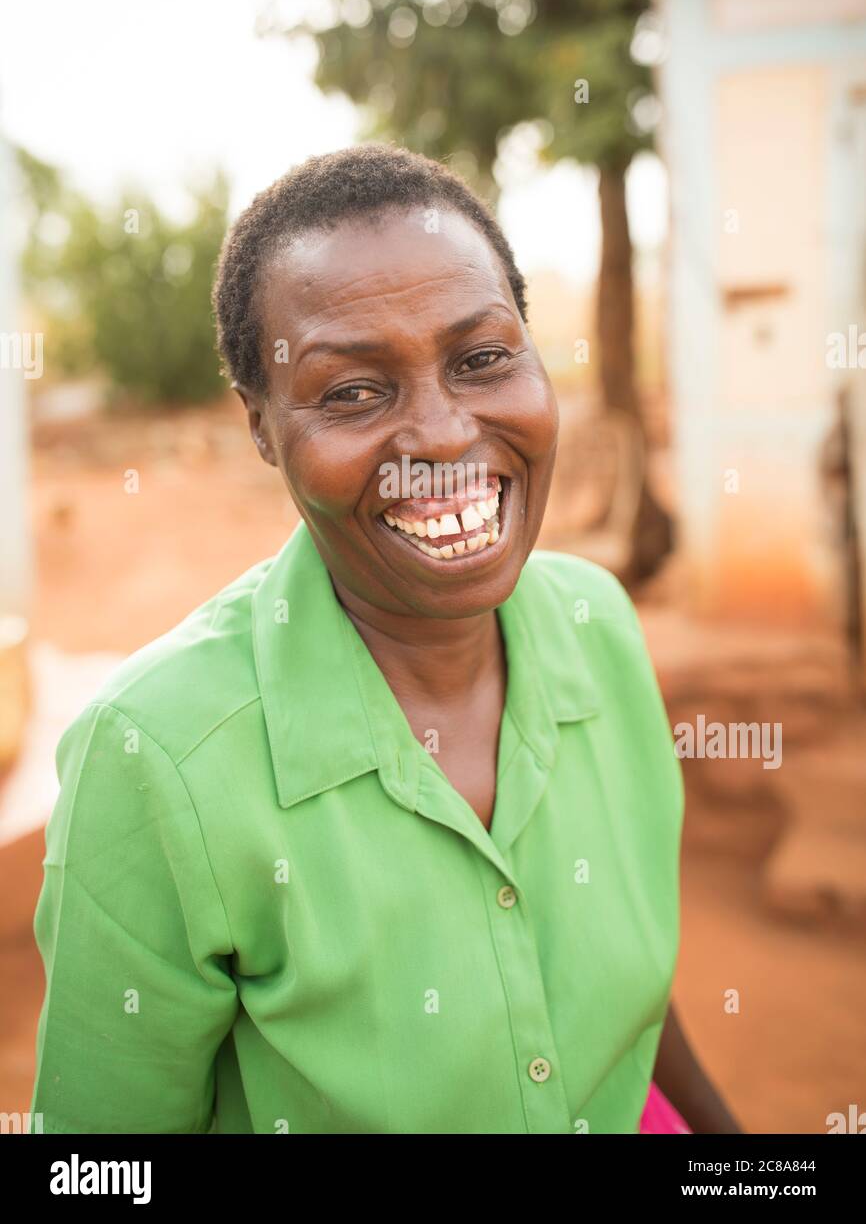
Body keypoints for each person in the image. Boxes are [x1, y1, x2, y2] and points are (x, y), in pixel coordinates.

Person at [30, 143, 741, 1134]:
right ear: (263, 427)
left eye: (481, 358)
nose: (444, 435)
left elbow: (623, 994)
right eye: (352, 392)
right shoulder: (158, 759)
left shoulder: (598, 626)